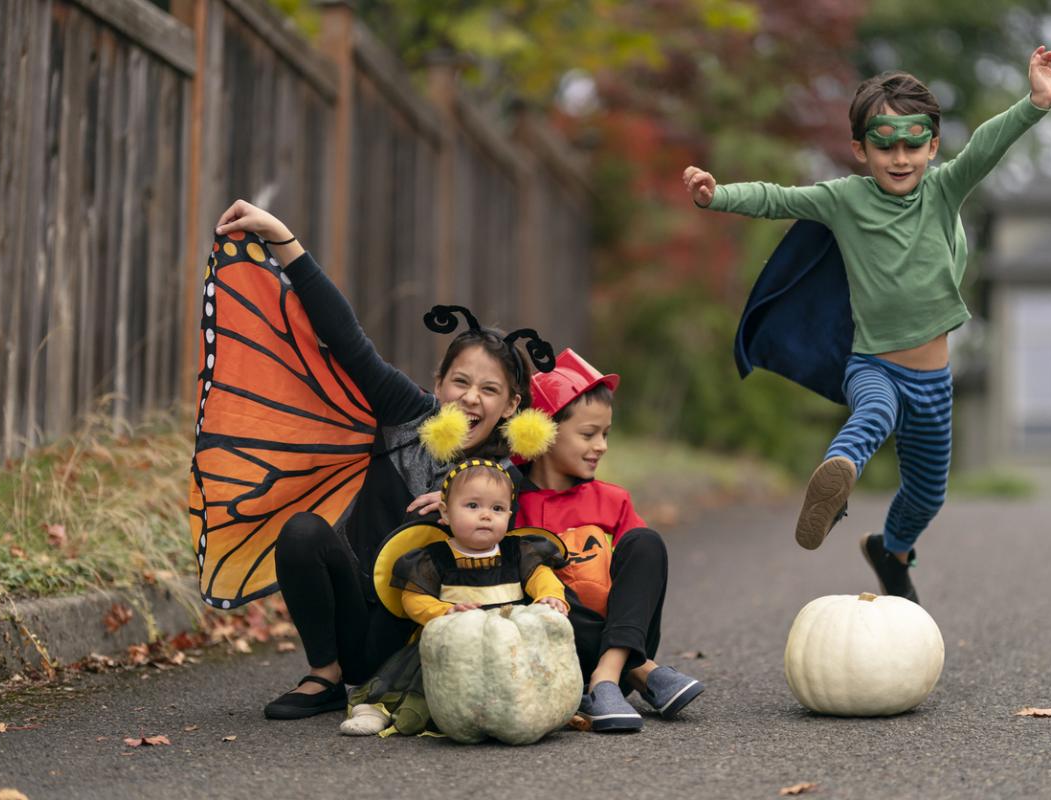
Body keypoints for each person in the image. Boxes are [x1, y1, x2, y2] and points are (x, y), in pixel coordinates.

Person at [682, 47, 1051, 604]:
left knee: (928, 494)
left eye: (914, 144)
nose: (901, 158)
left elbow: (987, 144)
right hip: (873, 365)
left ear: (933, 146)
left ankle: (892, 550)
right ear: (861, 150)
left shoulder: (943, 190)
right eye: (885, 146)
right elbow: (777, 198)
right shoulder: (845, 200)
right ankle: (838, 474)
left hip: (933, 381)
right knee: (874, 411)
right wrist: (717, 196)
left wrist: (1035, 103)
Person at [211, 200, 554, 719]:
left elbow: (530, 572)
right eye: (460, 381)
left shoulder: (512, 476)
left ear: (510, 406)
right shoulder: (405, 413)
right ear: (439, 384)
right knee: (303, 532)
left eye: (490, 389)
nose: (471, 398)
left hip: (428, 643)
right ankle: (325, 676)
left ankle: (393, 692)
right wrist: (283, 238)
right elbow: (348, 341)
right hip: (357, 615)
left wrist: (463, 520)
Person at [514, 349, 704, 732]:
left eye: (605, 434)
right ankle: (642, 671)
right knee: (525, 570)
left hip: (620, 639)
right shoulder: (509, 502)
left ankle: (608, 676)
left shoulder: (611, 499)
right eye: (588, 434)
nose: (601, 445)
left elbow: (640, 577)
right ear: (545, 431)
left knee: (646, 542)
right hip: (553, 648)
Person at [341, 459, 568, 737]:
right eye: (472, 506)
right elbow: (414, 599)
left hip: (507, 648)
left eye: (497, 508)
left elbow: (541, 577)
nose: (486, 515)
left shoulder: (518, 551)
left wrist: (550, 597)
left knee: (520, 687)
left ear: (509, 514)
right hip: (451, 647)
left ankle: (507, 717)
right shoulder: (435, 558)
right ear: (446, 513)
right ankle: (378, 710)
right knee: (421, 686)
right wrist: (444, 611)